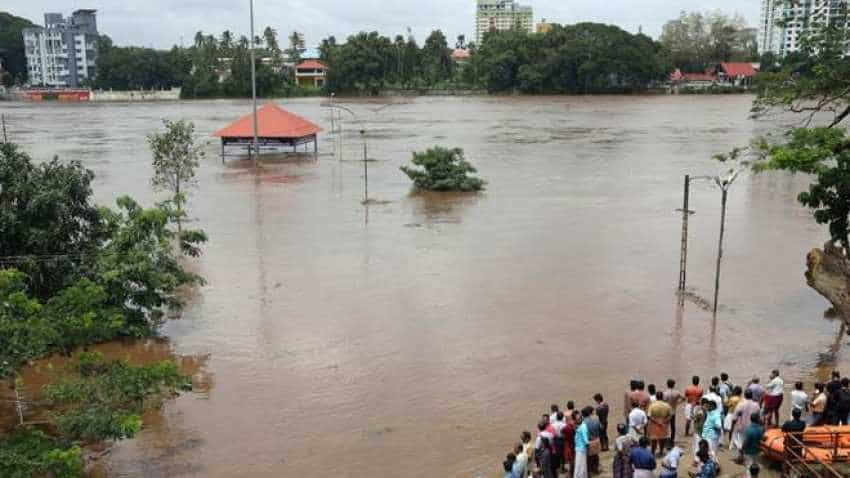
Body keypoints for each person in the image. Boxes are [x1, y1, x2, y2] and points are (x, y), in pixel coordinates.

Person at [732, 389, 761, 456]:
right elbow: (759, 418)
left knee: (740, 442)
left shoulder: (740, 405)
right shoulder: (756, 405)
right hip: (752, 428)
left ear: (744, 395)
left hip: (741, 427)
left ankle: (741, 455)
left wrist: (732, 427)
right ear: (752, 396)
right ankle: (746, 456)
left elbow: (734, 418)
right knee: (750, 443)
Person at [648, 391, 674, 456]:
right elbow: (670, 416)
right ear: (662, 397)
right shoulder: (667, 405)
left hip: (654, 424)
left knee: (653, 439)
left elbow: (649, 416)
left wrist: (657, 422)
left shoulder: (652, 405)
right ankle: (661, 452)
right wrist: (664, 421)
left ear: (656, 397)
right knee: (662, 438)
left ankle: (653, 452)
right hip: (664, 424)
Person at [663, 379, 685, 447]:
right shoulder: (677, 392)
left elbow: (662, 401)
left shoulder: (665, 393)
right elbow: (684, 398)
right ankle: (672, 440)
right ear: (674, 385)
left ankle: (665, 439)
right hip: (673, 411)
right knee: (673, 426)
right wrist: (678, 403)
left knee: (665, 426)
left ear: (667, 384)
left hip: (666, 411)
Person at [583, 406, 602, 475]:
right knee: (596, 456)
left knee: (589, 458)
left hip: (588, 441)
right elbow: (601, 428)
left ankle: (589, 471)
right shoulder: (596, 419)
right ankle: (595, 469)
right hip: (596, 440)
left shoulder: (583, 423)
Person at [575, 409, 590, 478]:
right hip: (579, 448)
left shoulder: (583, 427)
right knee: (580, 465)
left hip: (581, 449)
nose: (577, 420)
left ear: (581, 419)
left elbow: (586, 439)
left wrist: (587, 448)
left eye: (578, 419)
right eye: (576, 419)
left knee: (580, 465)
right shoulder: (580, 426)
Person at [563, 411, 579, 476]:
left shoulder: (569, 426)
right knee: (572, 460)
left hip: (571, 444)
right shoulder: (575, 425)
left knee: (571, 460)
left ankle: (571, 473)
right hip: (573, 444)